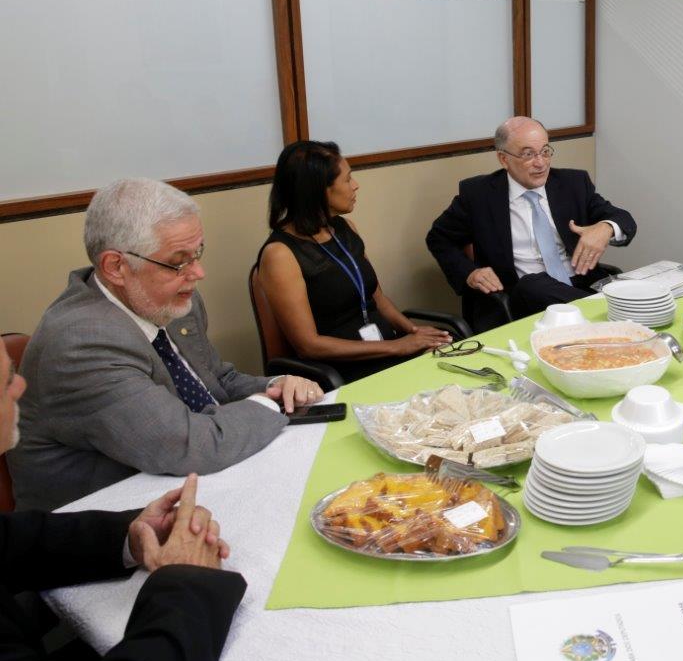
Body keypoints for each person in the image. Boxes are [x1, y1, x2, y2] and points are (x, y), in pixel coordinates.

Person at [10, 178, 322, 512]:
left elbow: (217, 381)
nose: (197, 272)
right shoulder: (82, 343)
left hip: (191, 479)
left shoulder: (167, 297)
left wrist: (278, 386)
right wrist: (269, 406)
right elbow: (191, 446)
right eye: (178, 260)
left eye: (197, 253)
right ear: (116, 267)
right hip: (108, 523)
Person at [0, 337, 246, 661]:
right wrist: (187, 581)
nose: (22, 385)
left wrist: (130, 537)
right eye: (10, 379)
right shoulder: (83, 338)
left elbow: (10, 540)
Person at [258, 141, 452, 383]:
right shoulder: (280, 254)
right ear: (320, 191)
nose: (356, 186)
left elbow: (377, 298)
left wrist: (413, 331)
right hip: (339, 372)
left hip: (384, 352)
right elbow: (310, 346)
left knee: (455, 365)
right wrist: (397, 347)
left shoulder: (345, 229)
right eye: (348, 180)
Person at [426, 116, 638, 332]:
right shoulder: (478, 195)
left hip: (578, 286)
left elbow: (623, 219)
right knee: (533, 284)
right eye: (528, 154)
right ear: (503, 159)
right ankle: (609, 315)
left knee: (635, 285)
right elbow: (439, 238)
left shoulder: (573, 183)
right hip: (521, 296)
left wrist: (606, 227)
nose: (541, 162)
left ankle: (600, 314)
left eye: (545, 151)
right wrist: (470, 273)